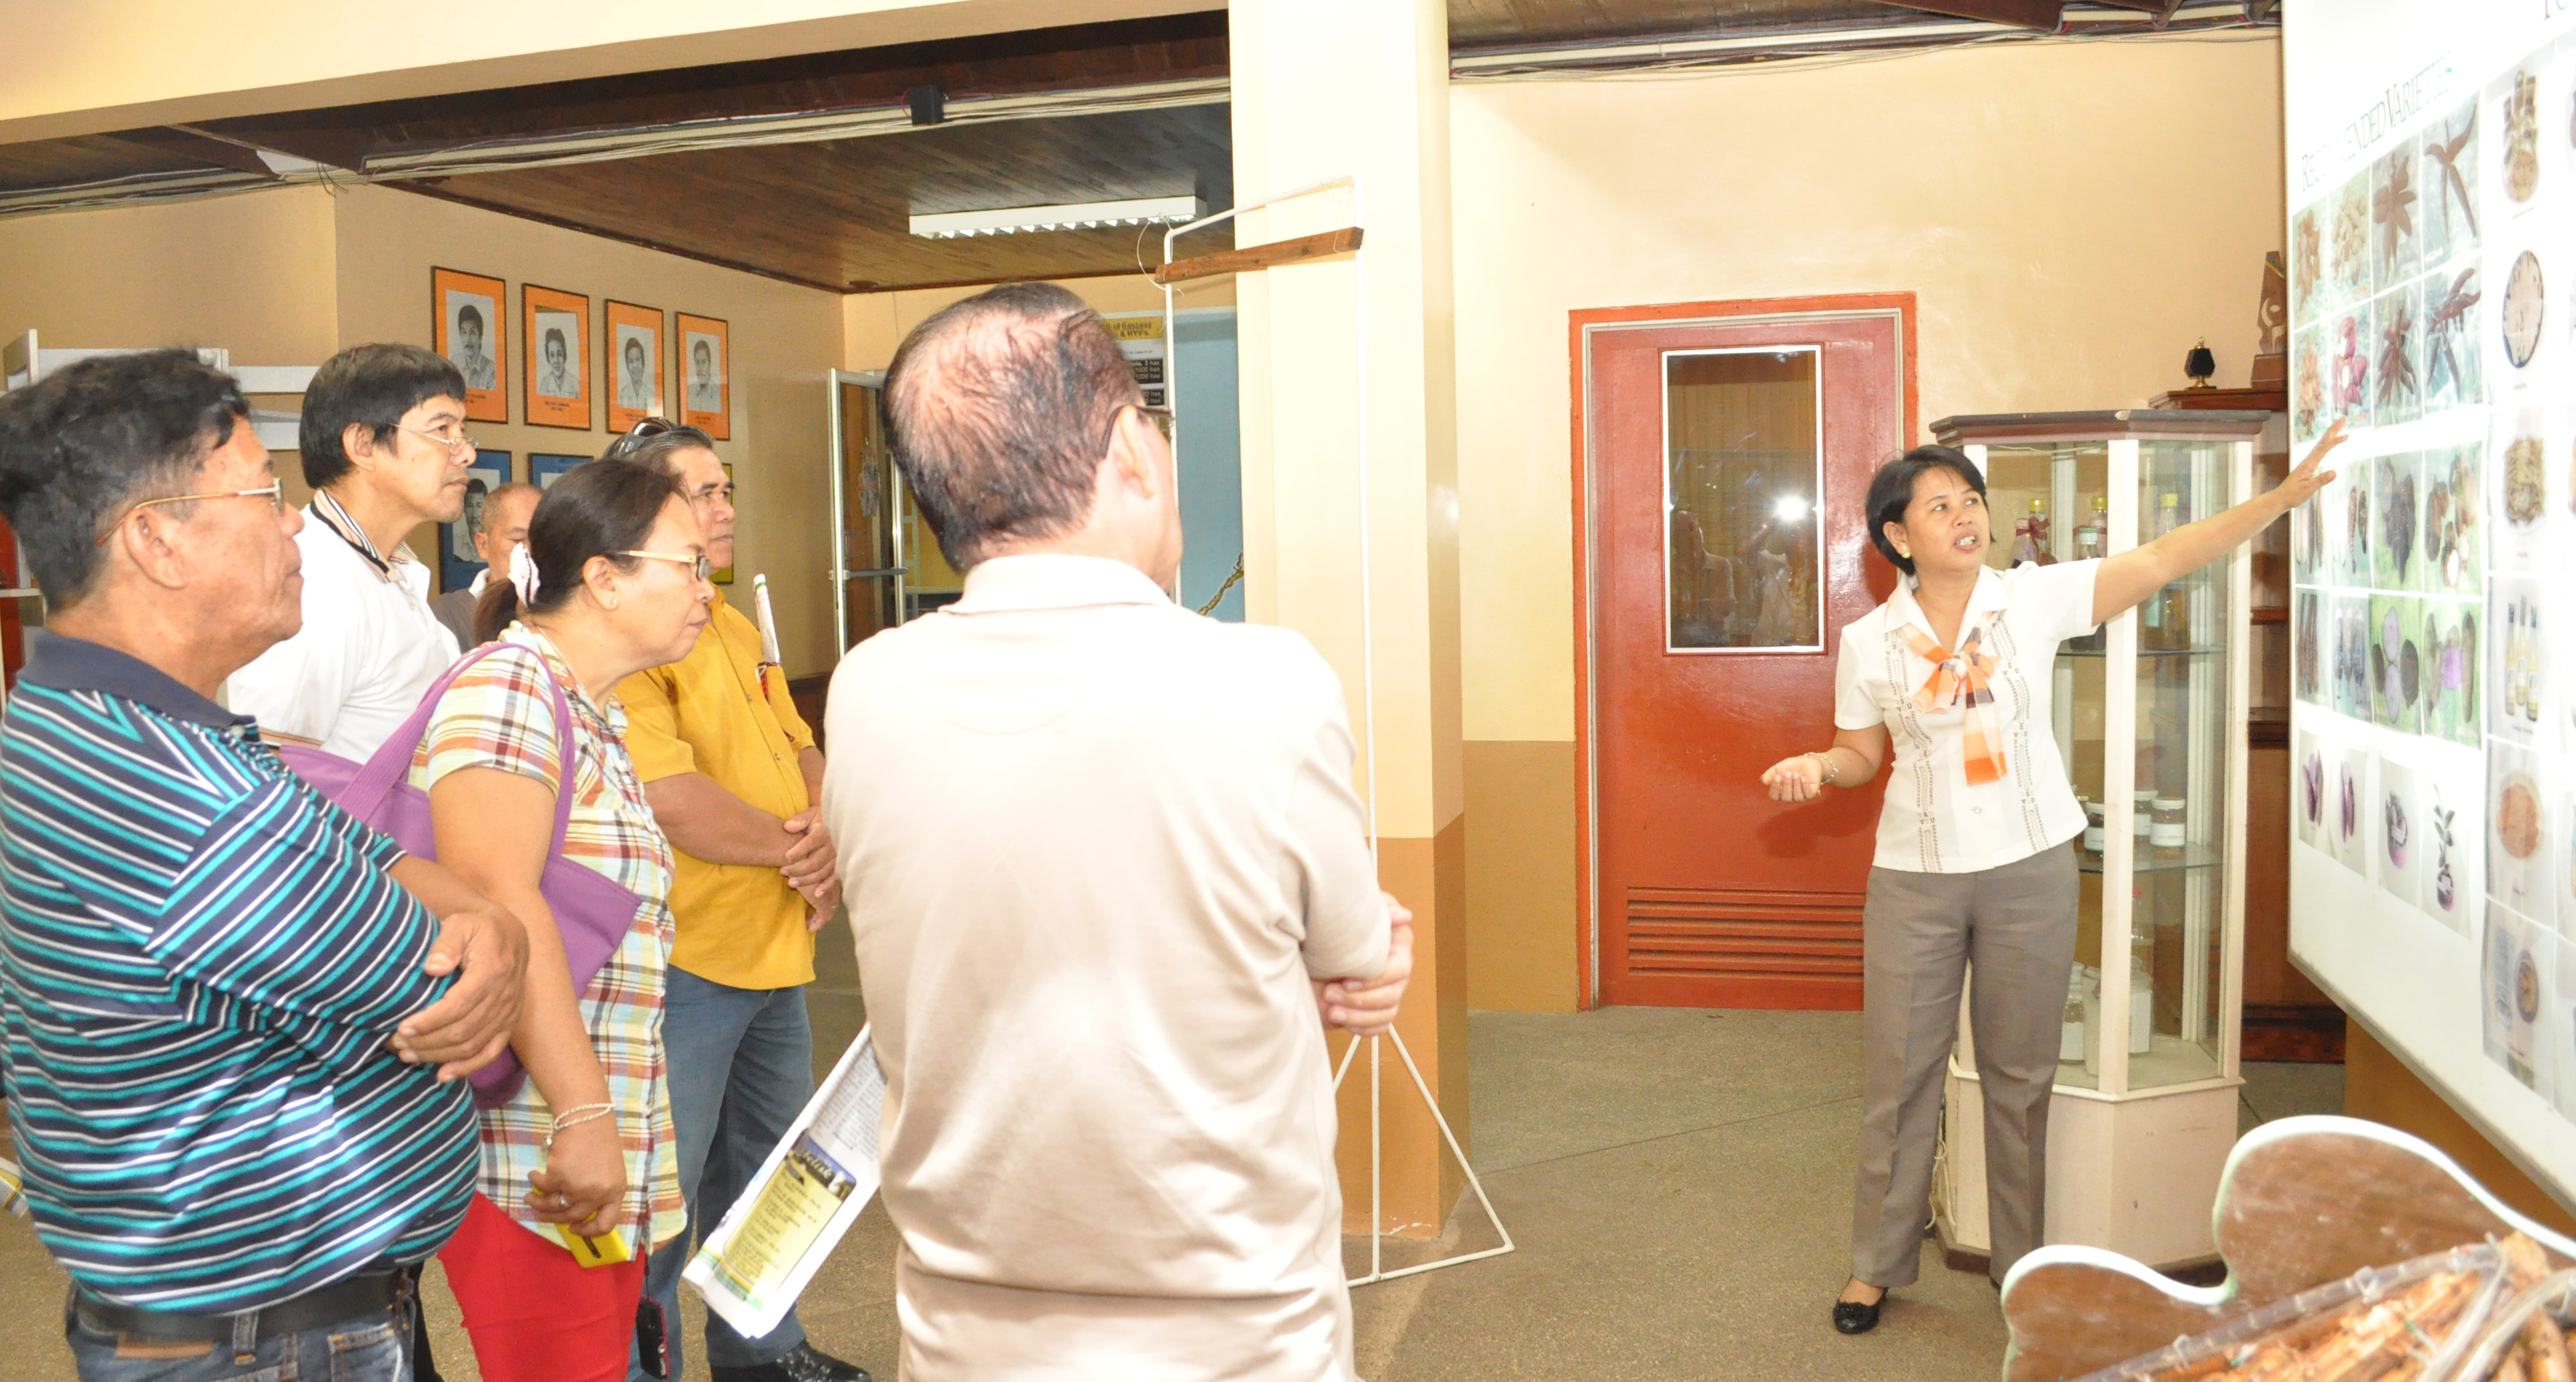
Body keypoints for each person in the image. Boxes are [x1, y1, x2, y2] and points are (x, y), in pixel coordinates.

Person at [821, 282, 1415, 1380]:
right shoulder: (1265, 680)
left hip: (964, 1319)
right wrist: (1378, 949)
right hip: (1233, 1320)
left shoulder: (865, 688)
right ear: (1130, 454)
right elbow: (1348, 953)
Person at [0, 348, 529, 1379]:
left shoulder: (86, 711)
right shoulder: (178, 798)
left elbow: (360, 848)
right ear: (155, 539)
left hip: (224, 1303)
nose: (293, 522)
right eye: (263, 492)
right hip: (273, 1335)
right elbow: (444, 975)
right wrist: (493, 930)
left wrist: (483, 915)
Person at [1758, 418, 2348, 1336]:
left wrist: (2273, 501)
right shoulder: (1869, 640)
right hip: (1913, 874)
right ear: (1896, 537)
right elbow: (1855, 753)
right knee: (1899, 1077)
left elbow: (2157, 556)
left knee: (2018, 1075)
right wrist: (1815, 768)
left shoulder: (2029, 600)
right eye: (1938, 505)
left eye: (1970, 500)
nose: (1964, 515)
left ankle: (2017, 1264)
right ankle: (1874, 1263)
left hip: (2030, 867)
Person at [417, 461, 712, 1381]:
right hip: (534, 1145)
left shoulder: (587, 704)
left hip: (589, 1126)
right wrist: (583, 1117)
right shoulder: (506, 686)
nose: (706, 590)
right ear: (606, 579)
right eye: (689, 565)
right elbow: (500, 903)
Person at [604, 420, 864, 1382]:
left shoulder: (730, 621)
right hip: (687, 957)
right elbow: (669, 797)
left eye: (725, 489)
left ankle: (764, 1350)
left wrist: (824, 830)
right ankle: (645, 1364)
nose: (724, 509)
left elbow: (800, 739)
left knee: (774, 1177)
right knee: (662, 1194)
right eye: (701, 494)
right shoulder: (636, 637)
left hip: (775, 948)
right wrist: (798, 853)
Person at [229, 343, 472, 759]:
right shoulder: (314, 582)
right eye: (442, 431)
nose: (465, 452)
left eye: (462, 433)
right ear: (362, 444)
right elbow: (264, 771)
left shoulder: (388, 568)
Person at [434, 479, 541, 649]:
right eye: (518, 540)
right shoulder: (447, 615)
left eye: (543, 539)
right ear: (483, 545)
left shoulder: (568, 609)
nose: (532, 552)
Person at [453, 304, 497, 391]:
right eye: (464, 333)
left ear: (480, 337)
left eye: (473, 333)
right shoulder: (455, 364)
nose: (468, 339)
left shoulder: (491, 370)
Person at [453, 476, 490, 564]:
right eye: (470, 506)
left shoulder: (495, 542)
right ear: (464, 508)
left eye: (479, 506)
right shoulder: (456, 544)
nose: (475, 514)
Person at [539, 328, 579, 399]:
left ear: (564, 355)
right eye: (552, 355)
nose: (556, 360)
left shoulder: (575, 383)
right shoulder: (544, 385)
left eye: (559, 354)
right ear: (548, 358)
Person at [618, 336, 654, 412]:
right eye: (631, 362)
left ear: (643, 363)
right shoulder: (622, 395)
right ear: (627, 366)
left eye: (638, 360)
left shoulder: (651, 395)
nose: (635, 366)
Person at [688, 338, 720, 413]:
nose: (701, 368)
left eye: (704, 362)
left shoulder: (719, 393)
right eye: (698, 362)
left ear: (709, 363)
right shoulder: (689, 392)